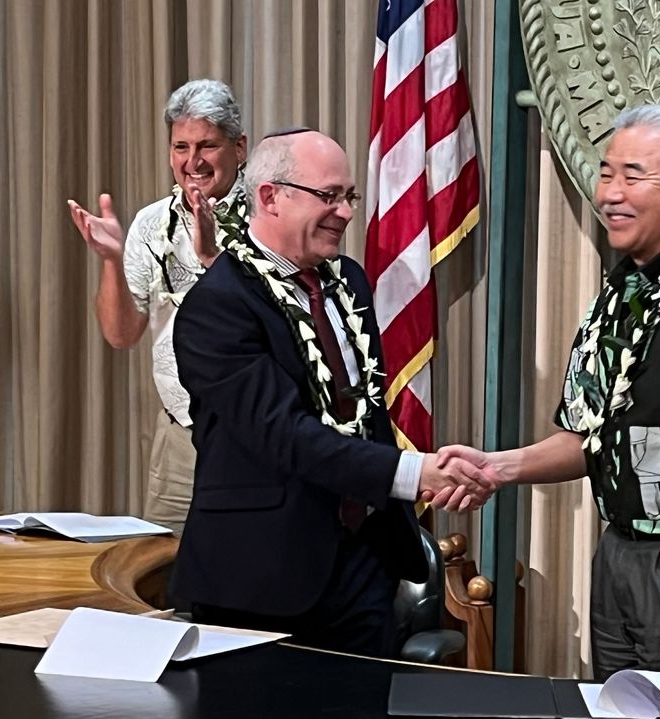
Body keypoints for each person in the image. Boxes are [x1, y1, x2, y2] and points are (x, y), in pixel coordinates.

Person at [438, 104, 660, 683]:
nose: (610, 192)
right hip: (621, 553)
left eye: (633, 175)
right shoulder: (620, 294)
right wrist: (497, 467)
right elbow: (590, 437)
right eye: (606, 173)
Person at [169, 128, 491, 658]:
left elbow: (367, 414)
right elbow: (283, 435)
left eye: (349, 197)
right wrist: (415, 473)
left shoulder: (350, 284)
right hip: (261, 578)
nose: (344, 212)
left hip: (364, 561)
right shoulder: (218, 306)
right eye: (329, 196)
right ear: (270, 196)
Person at [67, 79, 250, 535]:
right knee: (165, 580)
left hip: (257, 436)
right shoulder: (151, 224)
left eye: (208, 145)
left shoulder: (272, 215)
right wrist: (111, 260)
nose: (193, 162)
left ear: (239, 148)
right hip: (179, 436)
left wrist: (214, 259)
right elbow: (121, 334)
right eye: (180, 146)